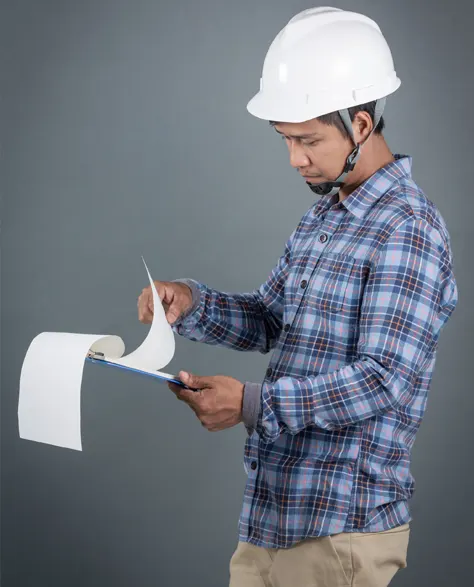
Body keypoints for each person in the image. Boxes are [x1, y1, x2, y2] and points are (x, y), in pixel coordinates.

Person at [137, 7, 458, 586]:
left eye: (308, 140)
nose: (295, 159)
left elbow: (385, 379)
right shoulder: (323, 218)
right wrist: (190, 302)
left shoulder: (408, 227)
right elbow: (270, 321)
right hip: (273, 516)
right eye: (286, 140)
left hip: (341, 531)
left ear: (361, 124)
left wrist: (252, 404)